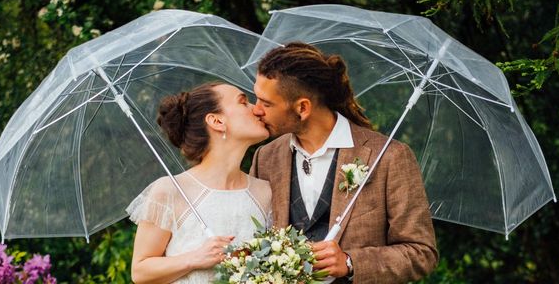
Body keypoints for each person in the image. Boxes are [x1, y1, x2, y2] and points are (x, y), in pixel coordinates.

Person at [250, 42, 438, 283]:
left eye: (266, 103)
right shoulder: (266, 157)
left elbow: (421, 252)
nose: (256, 111)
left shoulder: (389, 157)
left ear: (303, 108)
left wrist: (351, 262)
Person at [126, 82, 271, 284]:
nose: (256, 109)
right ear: (217, 121)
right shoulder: (170, 190)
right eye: (243, 102)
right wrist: (194, 258)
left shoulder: (266, 192)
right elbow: (140, 271)